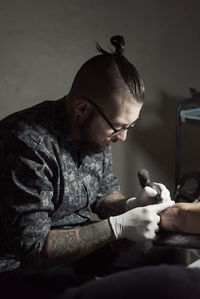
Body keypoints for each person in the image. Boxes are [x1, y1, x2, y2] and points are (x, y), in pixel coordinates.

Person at [0, 35, 190, 298]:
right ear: (82, 109)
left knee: (170, 250)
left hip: (74, 254)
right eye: (119, 127)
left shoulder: (96, 134)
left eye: (129, 126)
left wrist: (131, 205)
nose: (122, 137)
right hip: (17, 270)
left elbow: (104, 196)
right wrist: (118, 227)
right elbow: (33, 250)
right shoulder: (27, 144)